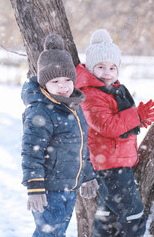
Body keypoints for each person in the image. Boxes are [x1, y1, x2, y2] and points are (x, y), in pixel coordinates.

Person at [75, 29, 154, 237]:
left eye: (112, 67)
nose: (107, 72)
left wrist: (141, 118)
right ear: (91, 68)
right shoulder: (91, 94)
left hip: (115, 162)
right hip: (110, 166)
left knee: (108, 218)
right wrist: (135, 115)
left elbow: (120, 121)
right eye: (101, 67)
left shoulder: (113, 90)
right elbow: (107, 126)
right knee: (133, 216)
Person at [21, 33, 98, 237]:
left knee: (57, 232)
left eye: (67, 79)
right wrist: (35, 186)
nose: (63, 86)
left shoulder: (72, 106)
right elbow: (31, 152)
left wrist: (88, 175)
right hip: (49, 189)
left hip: (68, 187)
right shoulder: (41, 111)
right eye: (55, 80)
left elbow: (81, 145)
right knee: (49, 234)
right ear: (44, 83)